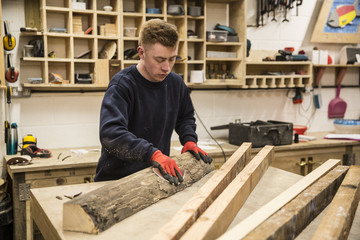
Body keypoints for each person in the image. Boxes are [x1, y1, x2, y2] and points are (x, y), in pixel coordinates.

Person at [95, 19, 212, 185]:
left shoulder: (175, 83)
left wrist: (189, 140)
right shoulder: (122, 85)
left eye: (172, 59)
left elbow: (185, 116)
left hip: (154, 178)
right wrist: (153, 154)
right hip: (116, 180)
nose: (167, 67)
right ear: (141, 53)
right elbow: (110, 134)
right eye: (160, 59)